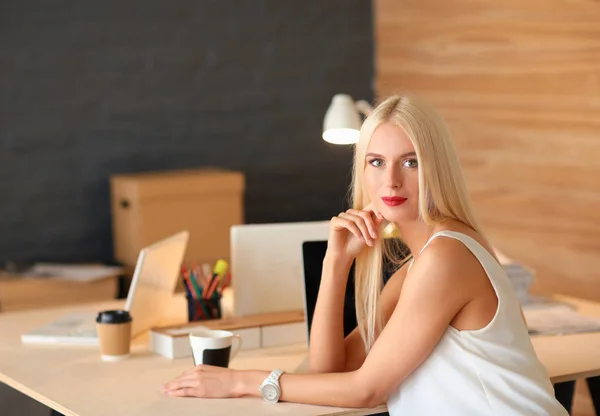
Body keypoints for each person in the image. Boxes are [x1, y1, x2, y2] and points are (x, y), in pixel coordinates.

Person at [160, 95, 569, 415]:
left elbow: (365, 389)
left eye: (410, 162)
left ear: (436, 167)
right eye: (376, 162)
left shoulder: (447, 257)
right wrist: (335, 264)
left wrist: (241, 382)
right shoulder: (417, 267)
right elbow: (327, 374)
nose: (390, 180)